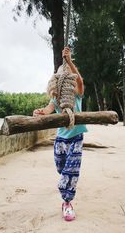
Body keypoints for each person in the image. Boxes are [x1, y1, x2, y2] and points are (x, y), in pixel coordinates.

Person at [33, 47, 88, 222]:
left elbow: (79, 81)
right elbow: (49, 109)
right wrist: (41, 111)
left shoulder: (76, 95)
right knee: (61, 168)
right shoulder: (55, 98)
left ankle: (67, 202)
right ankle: (65, 184)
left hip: (76, 137)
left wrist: (70, 61)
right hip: (60, 139)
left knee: (71, 170)